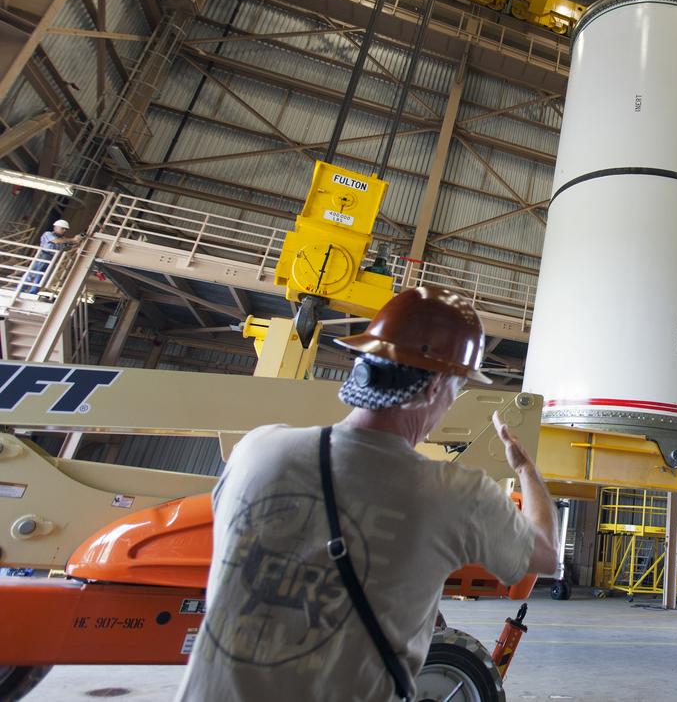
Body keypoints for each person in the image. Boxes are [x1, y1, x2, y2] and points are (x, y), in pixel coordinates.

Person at [176, 287, 559, 702]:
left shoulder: (256, 449)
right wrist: (524, 468)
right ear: (434, 390)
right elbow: (546, 556)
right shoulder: (453, 494)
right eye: (457, 388)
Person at [20, 218, 82, 295]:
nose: (64, 230)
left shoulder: (63, 239)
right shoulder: (48, 234)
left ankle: (33, 292)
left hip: (53, 258)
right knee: (33, 273)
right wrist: (72, 239)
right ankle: (21, 290)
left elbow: (70, 243)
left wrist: (77, 239)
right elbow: (56, 241)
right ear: (55, 227)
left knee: (42, 277)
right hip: (43, 256)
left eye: (65, 229)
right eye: (62, 228)